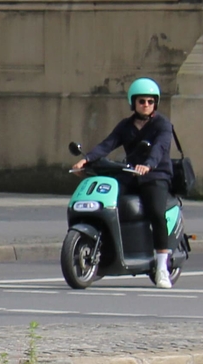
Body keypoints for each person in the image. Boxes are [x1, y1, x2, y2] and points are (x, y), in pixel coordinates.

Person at [72, 78, 178, 287]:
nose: (145, 105)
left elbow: (160, 148)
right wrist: (87, 159)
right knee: (107, 200)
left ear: (155, 103)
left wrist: (148, 165)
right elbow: (108, 144)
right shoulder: (126, 125)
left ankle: (162, 267)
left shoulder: (162, 124)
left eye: (149, 101)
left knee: (156, 213)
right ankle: (107, 247)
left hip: (155, 175)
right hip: (130, 173)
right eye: (141, 101)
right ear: (133, 103)